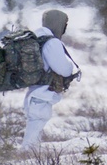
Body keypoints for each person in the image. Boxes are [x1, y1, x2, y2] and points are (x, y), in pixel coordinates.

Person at [22, 9, 79, 150]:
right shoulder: (51, 42)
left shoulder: (36, 37)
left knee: (34, 123)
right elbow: (64, 69)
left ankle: (29, 152)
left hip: (34, 90)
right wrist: (71, 67)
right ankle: (28, 154)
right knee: (36, 125)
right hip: (43, 92)